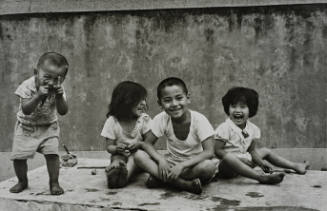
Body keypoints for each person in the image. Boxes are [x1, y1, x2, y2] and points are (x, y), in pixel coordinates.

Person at [134, 77, 218, 194]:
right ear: (160, 104)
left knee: (208, 166)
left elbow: (209, 152)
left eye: (179, 98)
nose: (174, 104)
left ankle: (161, 179)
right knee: (139, 155)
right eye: (167, 100)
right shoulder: (161, 118)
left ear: (188, 98)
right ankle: (183, 184)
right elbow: (147, 144)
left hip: (193, 166)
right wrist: (161, 159)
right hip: (171, 164)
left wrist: (183, 166)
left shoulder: (199, 120)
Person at [214, 87, 309, 184]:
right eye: (233, 106)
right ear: (228, 108)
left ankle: (295, 166)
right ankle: (260, 178)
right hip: (227, 168)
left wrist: (261, 164)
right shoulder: (225, 128)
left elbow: (251, 151)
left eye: (242, 107)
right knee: (229, 158)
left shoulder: (252, 129)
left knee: (265, 151)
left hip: (245, 164)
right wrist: (238, 159)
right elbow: (217, 151)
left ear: (250, 109)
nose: (237, 110)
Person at [10, 52, 69, 195]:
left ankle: (54, 183)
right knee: (19, 158)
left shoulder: (58, 89)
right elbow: (26, 110)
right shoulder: (27, 86)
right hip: (26, 127)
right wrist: (37, 96)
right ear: (36, 72)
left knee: (53, 155)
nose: (51, 82)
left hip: (49, 127)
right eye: (47, 77)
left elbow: (63, 111)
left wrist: (60, 97)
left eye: (57, 79)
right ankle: (22, 181)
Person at [101, 81, 152, 188]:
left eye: (144, 99)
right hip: (121, 155)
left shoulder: (144, 119)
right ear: (125, 102)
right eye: (139, 100)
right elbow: (109, 147)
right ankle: (116, 170)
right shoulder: (112, 121)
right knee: (117, 158)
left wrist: (139, 145)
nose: (143, 103)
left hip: (139, 156)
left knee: (136, 158)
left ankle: (124, 176)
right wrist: (116, 148)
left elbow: (149, 143)